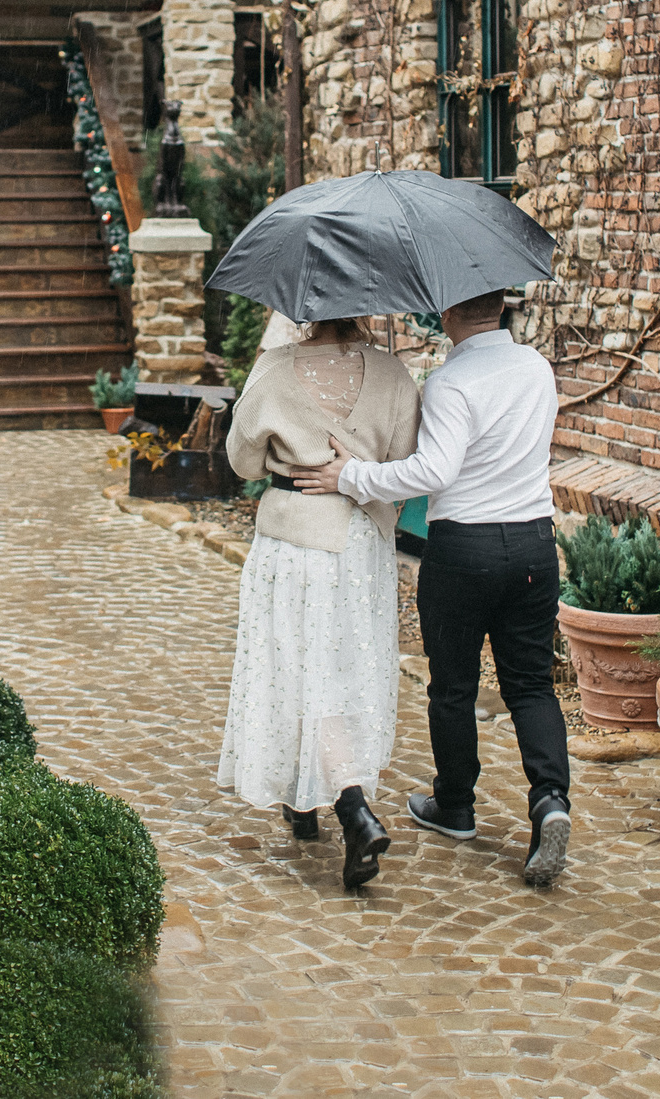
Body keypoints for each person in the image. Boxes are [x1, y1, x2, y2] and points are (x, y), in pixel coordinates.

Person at [289, 288, 571, 888]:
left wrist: (352, 475)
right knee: (530, 684)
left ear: (446, 313)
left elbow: (433, 472)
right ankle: (550, 800)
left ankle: (455, 806)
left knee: (453, 686)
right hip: (533, 545)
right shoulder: (536, 367)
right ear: (500, 304)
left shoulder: (451, 383)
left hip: (464, 550)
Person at [219, 316, 422, 889]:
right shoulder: (393, 374)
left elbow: (242, 462)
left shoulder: (273, 369)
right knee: (341, 667)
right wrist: (359, 470)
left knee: (296, 665)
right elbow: (404, 466)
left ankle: (352, 807)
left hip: (293, 540)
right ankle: (304, 798)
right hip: (362, 544)